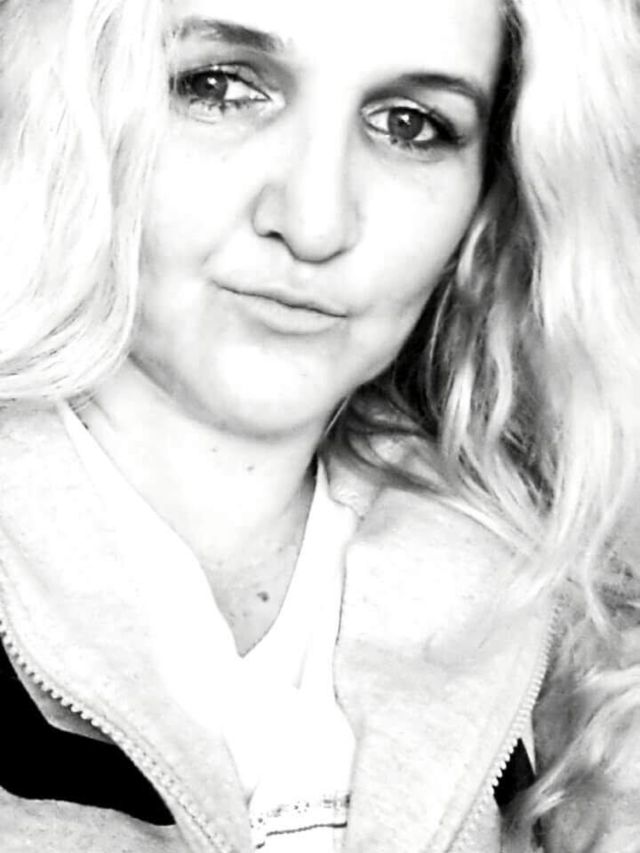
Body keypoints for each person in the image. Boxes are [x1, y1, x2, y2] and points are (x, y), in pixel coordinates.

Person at [0, 0, 637, 852]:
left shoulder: (587, 648)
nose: (315, 223)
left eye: (409, 124)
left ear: (489, 209)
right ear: (68, 102)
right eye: (220, 86)